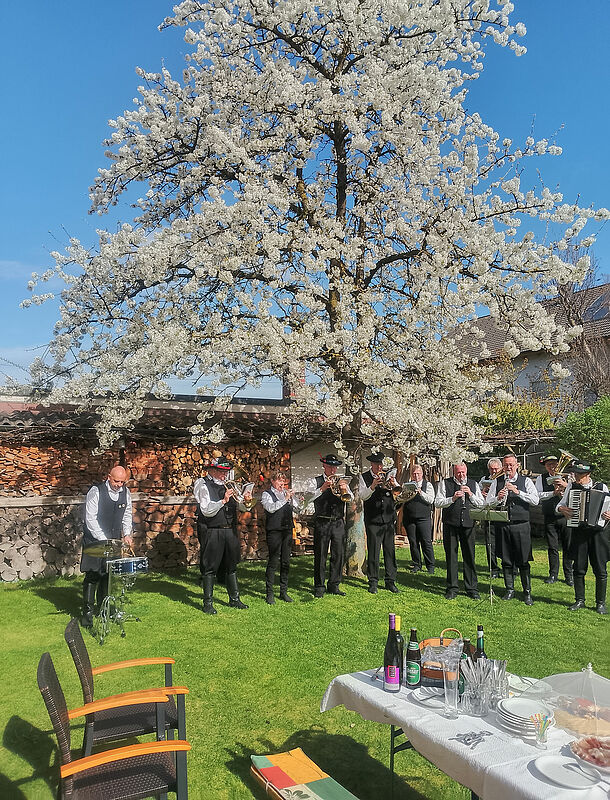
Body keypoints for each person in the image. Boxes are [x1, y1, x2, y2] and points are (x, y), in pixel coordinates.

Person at [194, 457, 252, 615]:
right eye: (221, 471)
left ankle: (234, 599)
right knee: (210, 567)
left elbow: (242, 507)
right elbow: (206, 509)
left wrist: (246, 501)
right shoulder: (202, 483)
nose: (224, 475)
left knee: (231, 565)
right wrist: (223, 500)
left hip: (230, 530)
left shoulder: (231, 485)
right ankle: (208, 603)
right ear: (212, 470)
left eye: (226, 472)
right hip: (213, 530)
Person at [80, 465, 133, 628]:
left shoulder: (126, 493)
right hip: (95, 541)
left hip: (114, 542)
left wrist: (127, 534)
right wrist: (103, 539)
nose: (119, 485)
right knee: (93, 576)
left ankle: (104, 610)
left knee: (107, 576)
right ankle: (87, 616)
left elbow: (127, 514)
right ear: (109, 477)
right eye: (116, 481)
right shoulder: (96, 491)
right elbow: (90, 519)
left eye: (122, 482)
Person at [557, 461, 609, 615]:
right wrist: (562, 509)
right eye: (575, 473)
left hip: (599, 534)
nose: (576, 477)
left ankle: (600, 603)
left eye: (579, 474)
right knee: (579, 568)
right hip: (579, 533)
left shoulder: (602, 487)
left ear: (588, 474)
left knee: (600, 569)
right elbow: (559, 505)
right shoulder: (571, 488)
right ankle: (579, 600)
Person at [486, 454, 539, 606]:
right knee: (506, 559)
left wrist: (517, 492)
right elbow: (487, 502)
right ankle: (509, 589)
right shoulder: (497, 481)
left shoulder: (526, 481)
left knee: (523, 559)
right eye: (506, 465)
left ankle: (527, 592)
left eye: (511, 465)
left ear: (517, 465)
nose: (508, 467)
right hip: (503, 524)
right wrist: (498, 497)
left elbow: (535, 500)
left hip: (521, 525)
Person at [303, 454, 353, 598]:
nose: (332, 469)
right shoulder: (315, 481)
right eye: (330, 466)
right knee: (320, 554)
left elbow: (351, 498)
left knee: (338, 554)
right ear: (324, 466)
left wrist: (345, 488)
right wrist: (322, 488)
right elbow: (308, 498)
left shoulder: (341, 481)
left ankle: (334, 584)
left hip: (338, 522)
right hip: (322, 521)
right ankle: (319, 586)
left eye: (334, 467)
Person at [435, 463, 484, 600]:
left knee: (469, 556)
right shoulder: (445, 483)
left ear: (466, 471)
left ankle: (472, 588)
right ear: (453, 472)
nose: (461, 475)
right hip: (451, 524)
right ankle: (452, 588)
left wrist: (471, 494)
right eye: (458, 473)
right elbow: (437, 502)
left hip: (468, 525)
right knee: (451, 556)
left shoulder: (473, 484)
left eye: (463, 472)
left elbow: (481, 504)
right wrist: (453, 498)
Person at [358, 453, 400, 594]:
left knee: (390, 551)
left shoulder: (388, 476)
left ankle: (390, 581)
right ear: (371, 465)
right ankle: (373, 581)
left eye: (381, 465)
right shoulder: (364, 477)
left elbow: (399, 494)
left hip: (388, 520)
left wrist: (394, 484)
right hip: (373, 521)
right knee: (374, 552)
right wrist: (373, 486)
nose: (379, 467)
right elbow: (362, 496)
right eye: (377, 465)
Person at [261, 472, 298, 604]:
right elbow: (270, 508)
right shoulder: (266, 494)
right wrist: (285, 499)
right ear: (272, 481)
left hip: (287, 530)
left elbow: (296, 510)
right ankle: (269, 593)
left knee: (286, 561)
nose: (282, 484)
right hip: (274, 531)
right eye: (279, 481)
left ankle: (284, 591)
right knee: (273, 561)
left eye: (283, 482)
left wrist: (298, 501)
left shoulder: (285, 494)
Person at [535, 454, 572, 586]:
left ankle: (569, 575)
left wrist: (565, 485)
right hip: (550, 515)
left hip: (565, 516)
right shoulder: (541, 478)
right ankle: (553, 574)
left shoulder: (567, 477)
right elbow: (538, 495)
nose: (552, 466)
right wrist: (553, 493)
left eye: (554, 464)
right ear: (545, 466)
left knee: (568, 546)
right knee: (552, 547)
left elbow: (575, 492)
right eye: (549, 464)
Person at [401, 464, 435, 575]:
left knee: (426, 542)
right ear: (411, 474)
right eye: (414, 474)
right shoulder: (407, 485)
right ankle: (416, 564)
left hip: (423, 518)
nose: (416, 476)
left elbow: (431, 500)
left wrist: (421, 492)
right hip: (409, 518)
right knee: (413, 542)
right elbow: (402, 499)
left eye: (418, 474)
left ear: (422, 474)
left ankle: (430, 566)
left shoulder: (427, 485)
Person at [478, 457, 503, 579]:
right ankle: (493, 569)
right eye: (491, 469)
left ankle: (508, 567)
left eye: (496, 469)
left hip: (502, 513)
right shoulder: (484, 479)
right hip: (489, 514)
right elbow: (477, 495)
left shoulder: (504, 479)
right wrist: (481, 494)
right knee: (490, 543)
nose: (493, 471)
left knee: (504, 542)